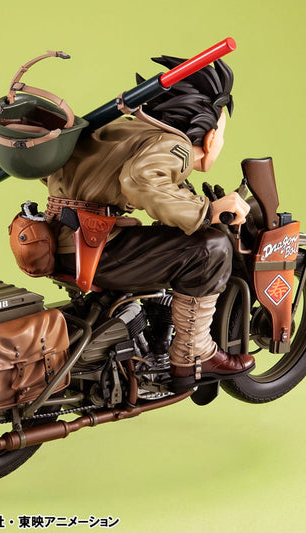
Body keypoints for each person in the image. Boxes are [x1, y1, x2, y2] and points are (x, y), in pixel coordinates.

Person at [44, 56, 255, 391]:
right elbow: (141, 182)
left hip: (61, 238)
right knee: (212, 249)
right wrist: (208, 211)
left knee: (169, 240)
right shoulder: (176, 146)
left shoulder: (122, 128)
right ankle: (193, 354)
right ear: (210, 135)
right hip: (94, 249)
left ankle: (150, 330)